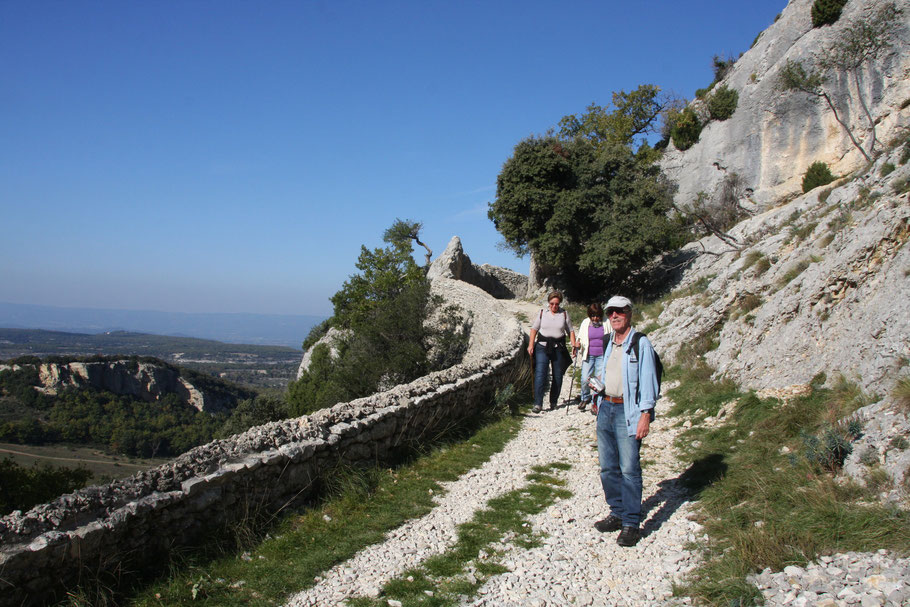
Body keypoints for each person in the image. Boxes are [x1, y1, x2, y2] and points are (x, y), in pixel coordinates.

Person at [591, 295, 659, 547]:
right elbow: (602, 372)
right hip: (606, 407)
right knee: (608, 467)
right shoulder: (608, 342)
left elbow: (649, 382)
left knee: (629, 469)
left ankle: (631, 523)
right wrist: (596, 398)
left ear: (629, 313)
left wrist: (646, 415)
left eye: (619, 311)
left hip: (627, 412)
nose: (614, 316)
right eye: (611, 312)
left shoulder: (641, 344)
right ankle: (617, 512)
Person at [527, 290, 578, 414]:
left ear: (559, 303)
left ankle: (553, 401)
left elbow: (570, 330)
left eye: (556, 304)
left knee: (558, 375)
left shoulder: (564, 314)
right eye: (552, 303)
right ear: (548, 303)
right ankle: (538, 404)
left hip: (558, 348)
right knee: (540, 374)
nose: (554, 306)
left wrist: (573, 344)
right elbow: (534, 329)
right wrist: (531, 344)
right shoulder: (542, 313)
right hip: (542, 347)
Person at [576, 303, 606, 412]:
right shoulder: (585, 323)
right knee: (585, 379)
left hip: (602, 356)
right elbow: (580, 337)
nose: (595, 318)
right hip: (588, 355)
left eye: (597, 315)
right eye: (593, 315)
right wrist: (577, 344)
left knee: (599, 381)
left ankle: (596, 402)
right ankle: (585, 397)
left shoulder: (606, 323)